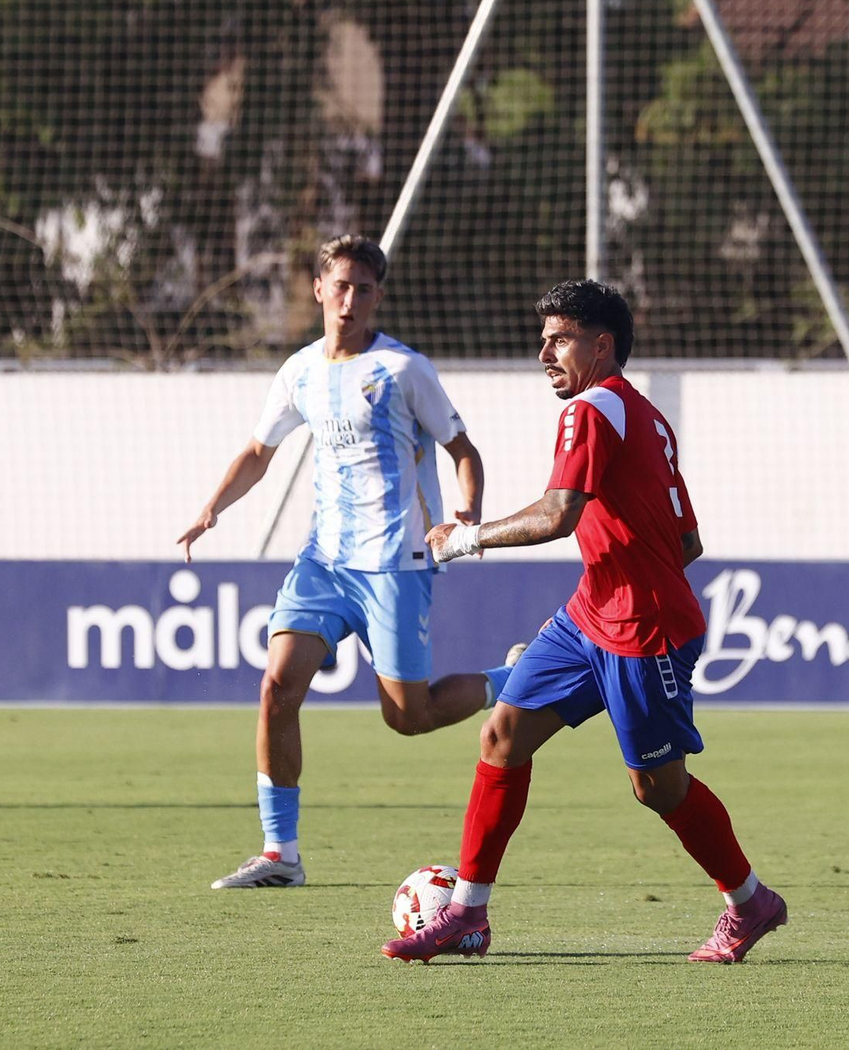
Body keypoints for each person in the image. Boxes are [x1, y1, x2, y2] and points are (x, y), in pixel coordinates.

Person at [382, 279, 787, 964]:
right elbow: (687, 542)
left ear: (602, 345)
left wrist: (465, 538)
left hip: (644, 631)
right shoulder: (648, 417)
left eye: (560, 339)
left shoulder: (590, 410)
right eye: (544, 339)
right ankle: (467, 915)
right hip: (590, 616)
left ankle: (751, 902)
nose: (545, 353)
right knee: (502, 735)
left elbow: (557, 513)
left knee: (657, 787)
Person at [179, 235, 516, 889]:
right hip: (324, 561)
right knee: (277, 686)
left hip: (396, 563)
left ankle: (510, 678)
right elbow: (259, 450)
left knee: (407, 717)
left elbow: (462, 449)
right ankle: (281, 853)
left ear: (378, 297)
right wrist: (211, 508)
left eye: (364, 288)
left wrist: (467, 515)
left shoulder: (404, 369)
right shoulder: (300, 371)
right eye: (340, 286)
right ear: (319, 290)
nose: (350, 299)